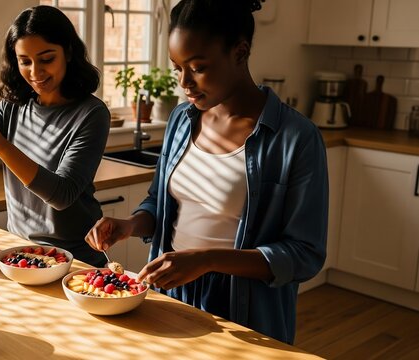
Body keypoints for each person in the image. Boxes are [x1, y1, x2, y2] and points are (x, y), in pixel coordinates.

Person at [85, 0, 328, 344]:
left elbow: (305, 255)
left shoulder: (295, 138)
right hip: (171, 295)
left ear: (240, 52)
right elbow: (160, 203)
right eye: (177, 68)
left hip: (245, 310)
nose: (185, 82)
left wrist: (208, 260)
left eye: (198, 68)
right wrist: (130, 225)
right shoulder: (182, 121)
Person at [0, 5, 110, 267]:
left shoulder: (92, 113)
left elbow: (63, 194)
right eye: (25, 61)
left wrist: (0, 145)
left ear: (68, 52)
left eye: (47, 59)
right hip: (20, 255)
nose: (35, 73)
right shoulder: (13, 105)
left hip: (75, 261)